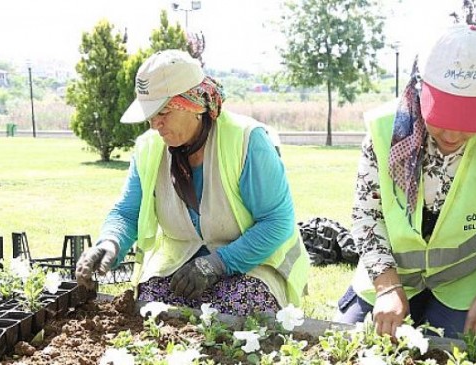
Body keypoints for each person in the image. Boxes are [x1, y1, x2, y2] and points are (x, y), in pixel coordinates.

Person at [335, 24, 476, 342]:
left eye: (468, 122)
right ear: (420, 91)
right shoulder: (385, 128)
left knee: (460, 349)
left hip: (474, 278)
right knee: (348, 341)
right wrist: (386, 285)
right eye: (442, 119)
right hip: (394, 272)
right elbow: (367, 216)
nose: (453, 135)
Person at [75, 50, 310, 316]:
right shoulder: (149, 148)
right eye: (150, 115)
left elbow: (276, 221)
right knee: (152, 311)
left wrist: (216, 264)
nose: (155, 125)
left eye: (163, 111)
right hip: (181, 265)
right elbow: (127, 213)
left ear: (195, 105)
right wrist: (109, 243)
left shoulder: (247, 141)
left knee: (231, 312)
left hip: (250, 264)